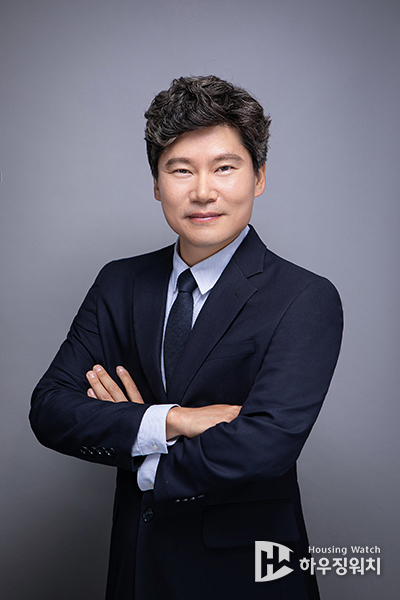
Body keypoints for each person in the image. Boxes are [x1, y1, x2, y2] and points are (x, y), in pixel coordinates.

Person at [30, 75, 343, 600]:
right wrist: (173, 420)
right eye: (180, 170)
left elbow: (265, 446)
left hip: (246, 576)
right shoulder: (119, 283)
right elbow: (50, 410)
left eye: (225, 167)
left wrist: (139, 445)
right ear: (157, 184)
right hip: (137, 568)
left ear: (259, 177)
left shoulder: (304, 297)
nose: (202, 191)